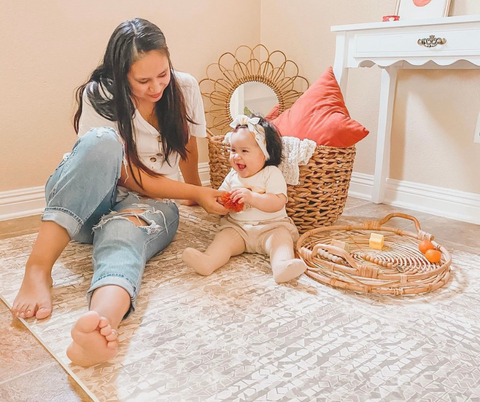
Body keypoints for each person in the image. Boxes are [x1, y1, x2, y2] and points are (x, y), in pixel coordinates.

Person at [11, 18, 228, 367]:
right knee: (101, 142)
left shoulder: (184, 87)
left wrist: (196, 192)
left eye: (163, 74)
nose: (157, 86)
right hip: (86, 204)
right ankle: (37, 269)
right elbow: (128, 176)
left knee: (126, 232)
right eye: (143, 80)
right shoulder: (100, 94)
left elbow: (187, 144)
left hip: (146, 205)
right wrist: (195, 192)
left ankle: (99, 327)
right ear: (120, 73)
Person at [182, 114, 307, 283]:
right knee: (223, 238)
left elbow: (278, 202)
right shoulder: (233, 175)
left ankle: (282, 266)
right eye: (233, 150)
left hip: (270, 228)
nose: (236, 156)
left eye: (244, 151)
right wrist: (222, 203)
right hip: (238, 228)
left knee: (281, 238)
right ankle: (209, 260)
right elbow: (220, 196)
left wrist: (252, 197)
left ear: (265, 155)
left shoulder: (271, 173)